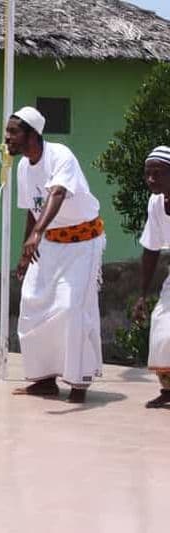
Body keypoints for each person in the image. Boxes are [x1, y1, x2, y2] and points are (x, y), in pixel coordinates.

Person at [7, 107, 104, 404]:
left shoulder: (60, 155)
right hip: (49, 242)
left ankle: (78, 382)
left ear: (32, 135)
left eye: (13, 132)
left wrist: (38, 232)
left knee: (71, 308)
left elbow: (58, 193)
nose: (7, 138)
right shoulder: (23, 166)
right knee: (32, 304)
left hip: (83, 241)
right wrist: (26, 250)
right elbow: (32, 211)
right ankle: (44, 380)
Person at [132, 146, 170, 408]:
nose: (151, 179)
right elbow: (151, 249)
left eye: (158, 174)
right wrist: (143, 294)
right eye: (148, 174)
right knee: (162, 327)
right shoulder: (156, 203)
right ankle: (168, 390)